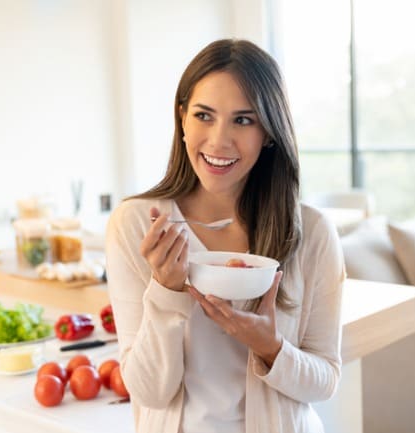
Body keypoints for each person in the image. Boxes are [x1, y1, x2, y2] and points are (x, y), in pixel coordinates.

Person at [105, 38, 345, 433]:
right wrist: (166, 293)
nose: (219, 141)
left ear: (269, 132)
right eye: (204, 115)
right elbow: (148, 392)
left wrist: (271, 347)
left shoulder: (312, 232)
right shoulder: (137, 225)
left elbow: (325, 380)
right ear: (181, 118)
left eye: (243, 120)